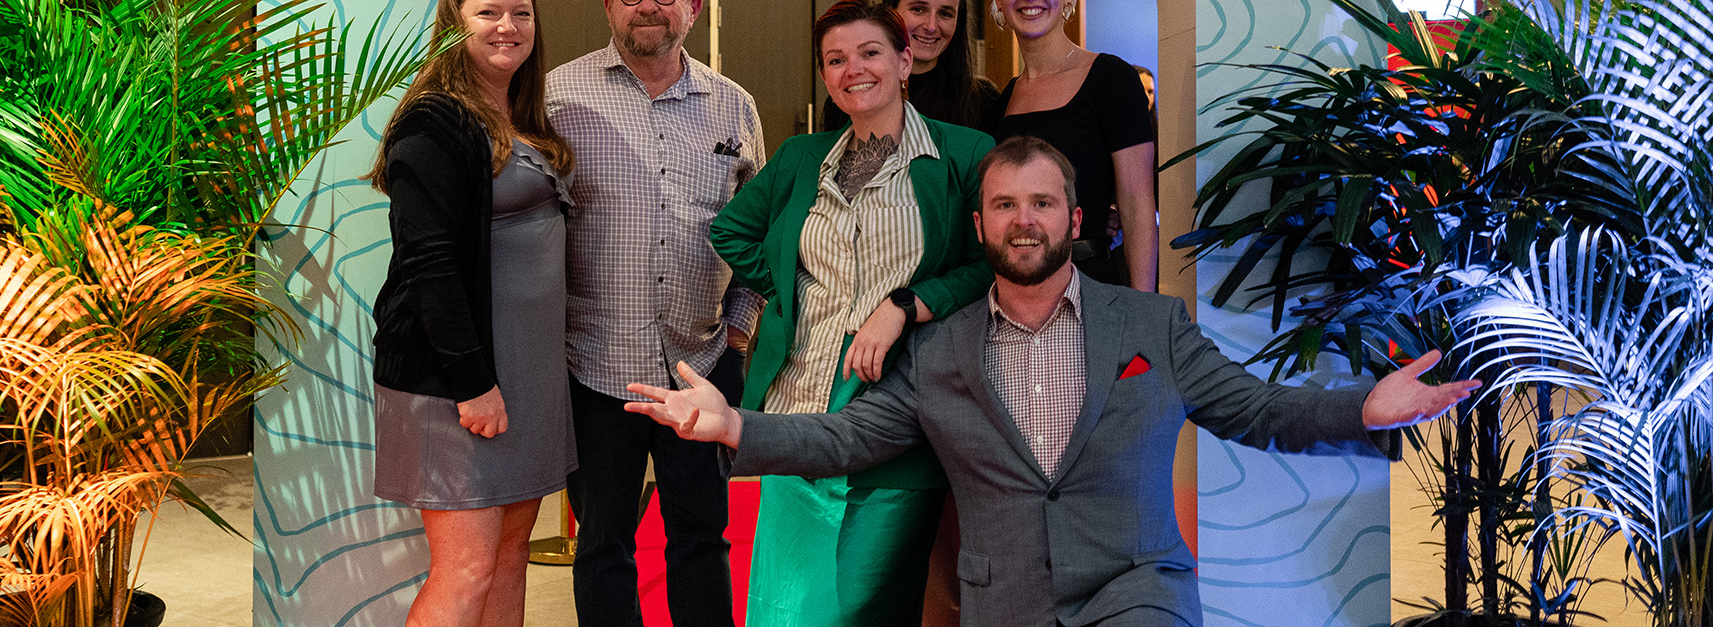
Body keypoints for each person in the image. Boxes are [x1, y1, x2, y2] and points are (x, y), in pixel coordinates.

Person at [628, 136, 1480, 627]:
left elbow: (1255, 409)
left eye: (1041, 204)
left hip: (1136, 588)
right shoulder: (939, 351)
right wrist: (733, 424)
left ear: (1074, 218)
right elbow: (849, 437)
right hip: (1007, 602)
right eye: (1005, 205)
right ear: (980, 224)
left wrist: (1365, 407)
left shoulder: (1151, 327)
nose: (1024, 220)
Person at [710, 0, 994, 626]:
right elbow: (730, 230)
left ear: (905, 60)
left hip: (897, 404)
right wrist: (793, 291)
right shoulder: (800, 157)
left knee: (860, 605)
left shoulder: (963, 154)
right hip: (798, 399)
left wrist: (907, 304)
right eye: (835, 60)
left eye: (869, 53)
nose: (852, 69)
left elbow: (989, 263)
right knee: (785, 604)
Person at [545, 0, 765, 627]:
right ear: (609, 5)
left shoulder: (734, 108)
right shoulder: (557, 96)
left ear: (692, 7)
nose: (648, 5)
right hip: (593, 366)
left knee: (701, 540)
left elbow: (758, 232)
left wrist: (738, 334)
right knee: (602, 544)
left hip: (701, 367)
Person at [365, 0, 577, 627]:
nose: (508, 26)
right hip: (460, 381)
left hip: (529, 379)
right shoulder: (434, 122)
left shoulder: (524, 115)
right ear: (455, 26)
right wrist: (472, 383)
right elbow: (427, 263)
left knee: (511, 557)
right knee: (467, 568)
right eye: (488, 12)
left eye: (521, 12)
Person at [988, 0, 1157, 292]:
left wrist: (1144, 308)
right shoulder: (1004, 98)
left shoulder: (1112, 79)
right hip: (1014, 292)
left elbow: (1136, 204)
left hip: (1091, 288)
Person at [819, 0, 1002, 135]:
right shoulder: (854, 92)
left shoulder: (983, 100)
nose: (931, 26)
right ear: (891, 12)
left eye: (945, 14)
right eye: (918, 9)